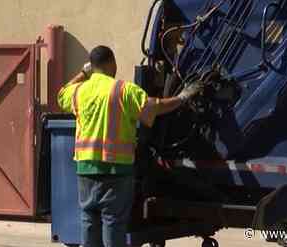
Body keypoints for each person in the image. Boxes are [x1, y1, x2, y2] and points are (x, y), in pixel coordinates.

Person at [57, 45, 203, 247]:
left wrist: (83, 72)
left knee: (89, 220)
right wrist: (182, 98)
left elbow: (62, 93)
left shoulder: (80, 91)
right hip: (117, 171)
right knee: (113, 223)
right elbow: (155, 107)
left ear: (93, 66)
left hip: (86, 170)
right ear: (111, 63)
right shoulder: (123, 90)